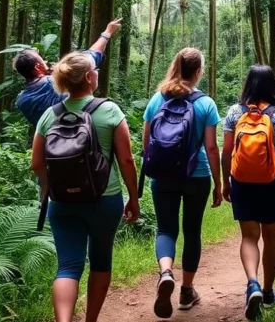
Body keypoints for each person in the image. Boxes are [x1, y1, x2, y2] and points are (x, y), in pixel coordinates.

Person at [31, 50, 140, 322]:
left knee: (68, 266)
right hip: (104, 199)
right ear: (89, 78)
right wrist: (134, 197)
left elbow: (36, 163)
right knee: (100, 262)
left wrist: (50, 189)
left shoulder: (50, 115)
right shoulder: (110, 110)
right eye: (95, 70)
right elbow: (126, 159)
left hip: (61, 203)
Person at [221, 65, 275, 320]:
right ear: (273, 85)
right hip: (272, 181)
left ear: (247, 84)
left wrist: (226, 182)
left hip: (242, 181)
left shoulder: (234, 112)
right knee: (271, 237)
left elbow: (227, 151)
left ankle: (252, 283)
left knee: (249, 236)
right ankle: (268, 291)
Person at [142, 48, 222, 319]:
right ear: (198, 72)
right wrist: (219, 183)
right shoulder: (206, 104)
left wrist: (154, 168)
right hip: (196, 175)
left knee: (166, 229)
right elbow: (212, 148)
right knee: (192, 231)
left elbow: (147, 141)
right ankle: (186, 291)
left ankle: (166, 272)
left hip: (162, 175)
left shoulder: (157, 98)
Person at [13, 18, 122, 146]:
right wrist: (107, 33)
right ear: (37, 67)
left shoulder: (21, 101)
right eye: (42, 60)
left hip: (53, 149)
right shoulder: (60, 80)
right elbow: (91, 56)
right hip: (83, 143)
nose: (45, 61)